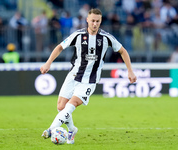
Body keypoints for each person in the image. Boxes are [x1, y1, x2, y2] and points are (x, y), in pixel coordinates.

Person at [40, 8, 137, 144]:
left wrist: (130, 71)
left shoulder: (106, 38)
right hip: (73, 75)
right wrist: (48, 63)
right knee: (61, 107)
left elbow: (123, 51)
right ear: (87, 20)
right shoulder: (78, 35)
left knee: (71, 104)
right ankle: (72, 129)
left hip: (90, 80)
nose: (95, 24)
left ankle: (51, 129)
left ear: (100, 21)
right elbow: (60, 47)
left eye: (97, 21)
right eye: (92, 21)